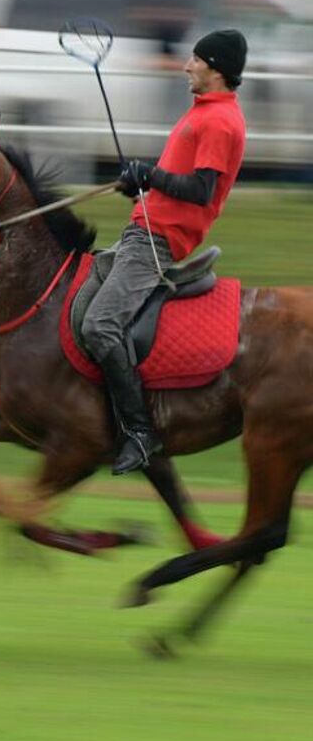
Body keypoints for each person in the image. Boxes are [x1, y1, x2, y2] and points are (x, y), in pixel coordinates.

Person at [82, 28, 248, 475]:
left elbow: (200, 189)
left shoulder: (218, 121)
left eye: (195, 60)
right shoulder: (204, 112)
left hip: (158, 243)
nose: (186, 66)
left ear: (214, 67)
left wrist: (150, 176)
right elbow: (175, 182)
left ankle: (139, 432)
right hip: (143, 230)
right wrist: (140, 186)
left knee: (100, 326)